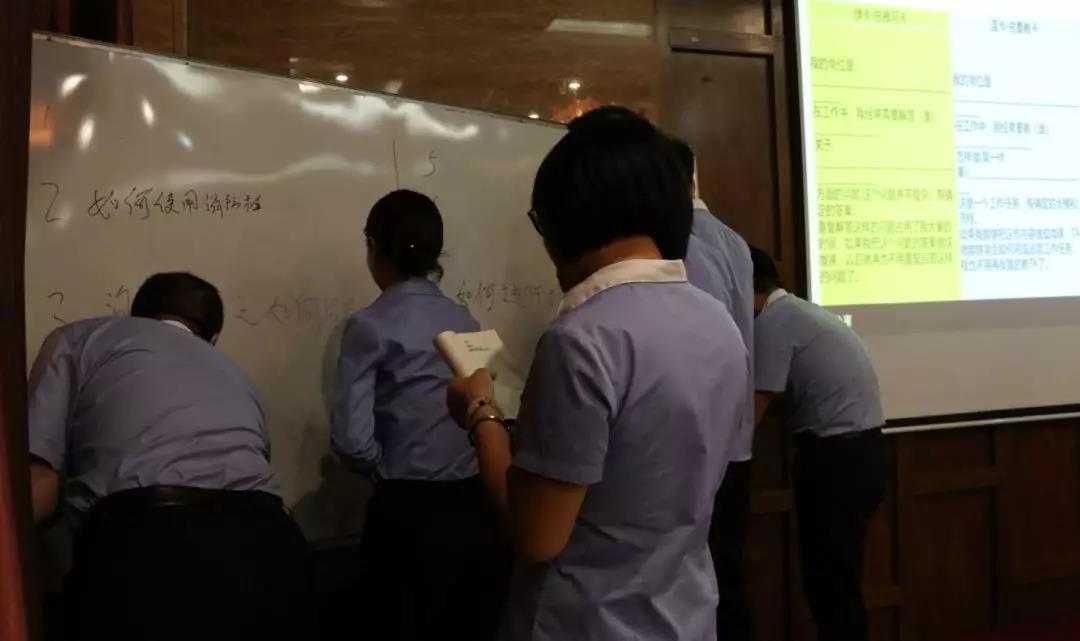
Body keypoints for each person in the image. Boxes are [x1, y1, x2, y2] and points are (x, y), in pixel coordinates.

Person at [446, 106, 750, 641]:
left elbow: (537, 535)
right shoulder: (717, 321)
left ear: (567, 216)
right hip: (682, 617)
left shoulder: (582, 340)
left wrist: (481, 414)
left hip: (587, 621)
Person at [26, 272, 309, 641]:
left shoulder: (79, 338)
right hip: (272, 544)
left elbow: (38, 486)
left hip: (145, 549)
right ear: (213, 337)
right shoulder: (234, 372)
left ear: (137, 316)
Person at [330, 189, 507, 641]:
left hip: (407, 513)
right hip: (475, 508)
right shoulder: (465, 319)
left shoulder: (369, 325)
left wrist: (386, 471)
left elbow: (352, 440)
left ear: (373, 247)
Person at [749, 246, 887, 641]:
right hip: (865, 453)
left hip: (835, 460)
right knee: (839, 578)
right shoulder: (802, 313)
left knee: (830, 583)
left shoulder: (773, 322)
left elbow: (752, 413)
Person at [671, 137, 757, 641]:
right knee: (725, 575)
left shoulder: (684, 243)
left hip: (706, 448)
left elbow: (696, 352)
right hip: (735, 443)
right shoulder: (733, 240)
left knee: (708, 583)